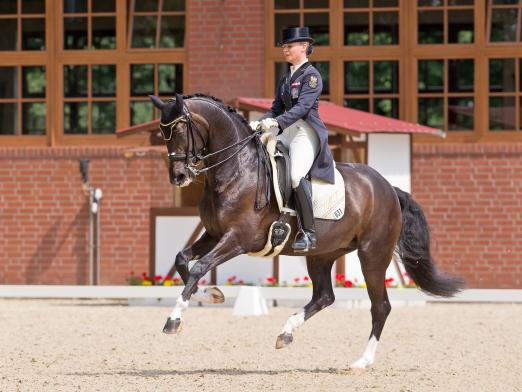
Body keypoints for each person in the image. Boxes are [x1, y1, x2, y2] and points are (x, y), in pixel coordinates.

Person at [250, 26, 335, 252]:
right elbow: (276, 107)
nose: (285, 50)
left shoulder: (312, 76)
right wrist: (260, 122)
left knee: (296, 176)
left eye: (289, 46)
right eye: (284, 47)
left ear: (304, 47)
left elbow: (303, 107)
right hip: (285, 130)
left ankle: (308, 233)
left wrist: (276, 122)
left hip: (304, 131)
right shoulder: (286, 77)